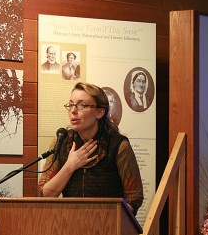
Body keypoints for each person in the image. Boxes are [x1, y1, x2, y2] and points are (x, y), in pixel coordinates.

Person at [37, 82, 143, 215]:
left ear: (99, 112)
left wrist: (108, 222)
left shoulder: (119, 145)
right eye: (71, 104)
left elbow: (134, 198)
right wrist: (70, 166)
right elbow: (43, 195)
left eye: (82, 105)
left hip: (107, 229)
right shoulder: (61, 141)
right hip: (68, 227)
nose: (73, 111)